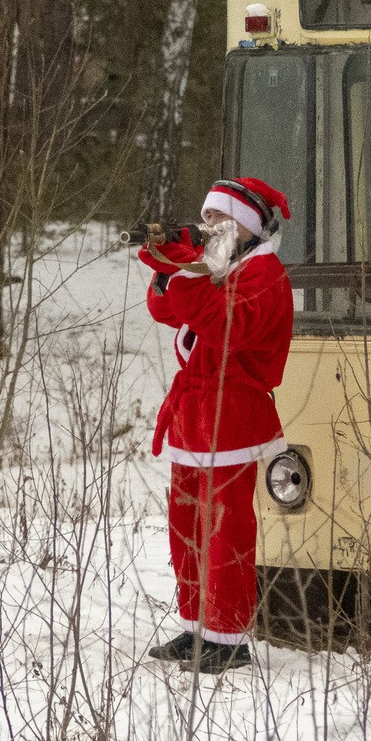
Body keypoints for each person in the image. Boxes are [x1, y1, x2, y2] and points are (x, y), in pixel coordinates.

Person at [137, 177, 294, 673]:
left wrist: (184, 277)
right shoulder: (223, 266)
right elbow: (168, 310)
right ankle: (196, 626)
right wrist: (170, 271)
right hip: (198, 411)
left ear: (245, 225)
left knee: (225, 524)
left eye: (217, 221)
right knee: (187, 523)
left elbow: (226, 326)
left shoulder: (263, 273)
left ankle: (227, 637)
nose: (208, 229)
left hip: (232, 412)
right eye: (205, 220)